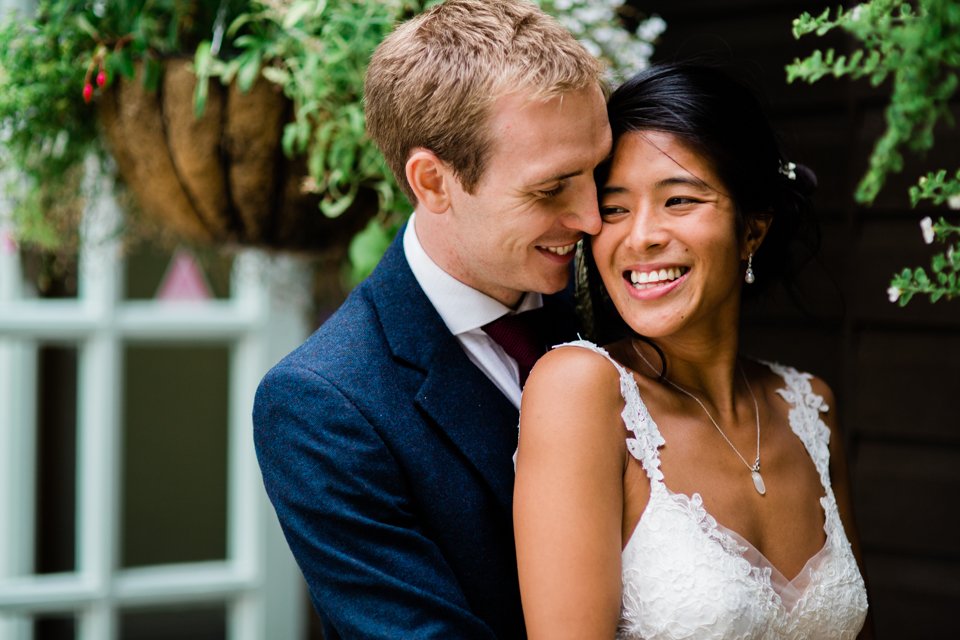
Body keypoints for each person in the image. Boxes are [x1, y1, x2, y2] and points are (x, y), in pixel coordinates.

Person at [252, 1, 611, 637]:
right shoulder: (324, 404)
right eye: (551, 188)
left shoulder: (621, 298)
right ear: (434, 182)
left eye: (598, 172)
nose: (592, 218)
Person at [514, 63, 872, 639]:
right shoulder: (582, 390)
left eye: (678, 200)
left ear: (752, 230)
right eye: (614, 208)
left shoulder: (809, 407)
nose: (642, 235)